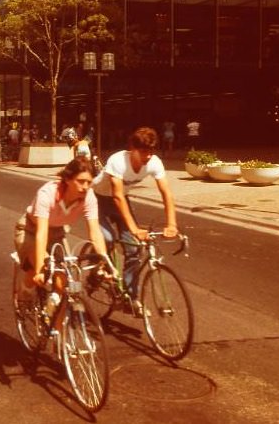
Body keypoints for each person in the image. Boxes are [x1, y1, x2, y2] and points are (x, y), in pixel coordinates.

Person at [91, 127, 178, 309]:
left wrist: (172, 224)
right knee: (106, 238)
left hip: (121, 200)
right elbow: (117, 195)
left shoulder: (154, 163)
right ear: (133, 148)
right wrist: (134, 229)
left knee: (134, 249)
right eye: (144, 151)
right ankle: (96, 270)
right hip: (98, 199)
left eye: (151, 151)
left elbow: (166, 193)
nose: (148, 156)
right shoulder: (118, 160)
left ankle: (130, 296)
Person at [14, 156, 109, 294]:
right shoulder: (47, 193)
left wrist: (105, 261)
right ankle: (25, 293)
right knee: (38, 270)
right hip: (30, 231)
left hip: (57, 233)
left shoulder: (89, 197)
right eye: (81, 181)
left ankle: (57, 313)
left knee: (63, 282)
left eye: (89, 182)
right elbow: (42, 233)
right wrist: (41, 268)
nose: (85, 187)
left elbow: (95, 232)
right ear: (68, 179)